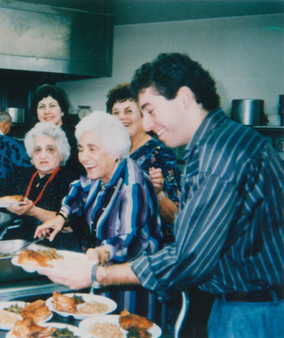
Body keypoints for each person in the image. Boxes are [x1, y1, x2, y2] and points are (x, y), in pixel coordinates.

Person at [38, 53, 284, 338]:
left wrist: (96, 273)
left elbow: (189, 257)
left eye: (150, 110)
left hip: (255, 313)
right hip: (244, 304)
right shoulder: (220, 143)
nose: (149, 124)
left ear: (184, 98)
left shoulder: (218, 154)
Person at [34, 111, 163, 316]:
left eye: (92, 149)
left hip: (132, 288)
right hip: (102, 278)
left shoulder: (133, 185)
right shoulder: (99, 174)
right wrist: (61, 217)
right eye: (81, 149)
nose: (84, 157)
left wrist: (102, 252)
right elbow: (77, 189)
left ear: (115, 151)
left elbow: (132, 239)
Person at [0, 122, 78, 248]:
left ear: (61, 155)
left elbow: (69, 223)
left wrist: (33, 211)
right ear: (32, 155)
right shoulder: (24, 173)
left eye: (50, 149)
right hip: (18, 244)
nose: (43, 155)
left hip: (52, 246)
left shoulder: (71, 182)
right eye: (37, 150)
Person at [106, 83, 181, 242]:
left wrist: (158, 193)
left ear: (143, 115)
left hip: (147, 247)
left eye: (128, 111)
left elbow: (176, 216)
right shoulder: (109, 152)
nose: (121, 117)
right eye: (115, 112)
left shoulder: (160, 154)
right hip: (113, 242)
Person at [30, 84, 85, 176]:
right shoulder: (33, 138)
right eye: (41, 107)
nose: (47, 111)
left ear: (62, 110)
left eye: (52, 105)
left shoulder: (74, 137)